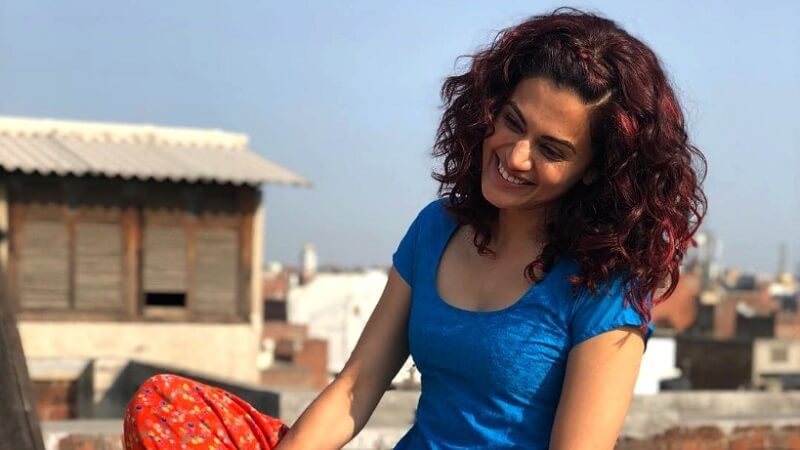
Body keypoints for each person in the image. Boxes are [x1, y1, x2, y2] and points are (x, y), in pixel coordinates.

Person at [124, 8, 706, 450]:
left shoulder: (604, 284)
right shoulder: (438, 229)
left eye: (552, 150)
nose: (516, 156)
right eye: (512, 122)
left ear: (596, 171)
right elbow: (354, 389)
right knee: (164, 405)